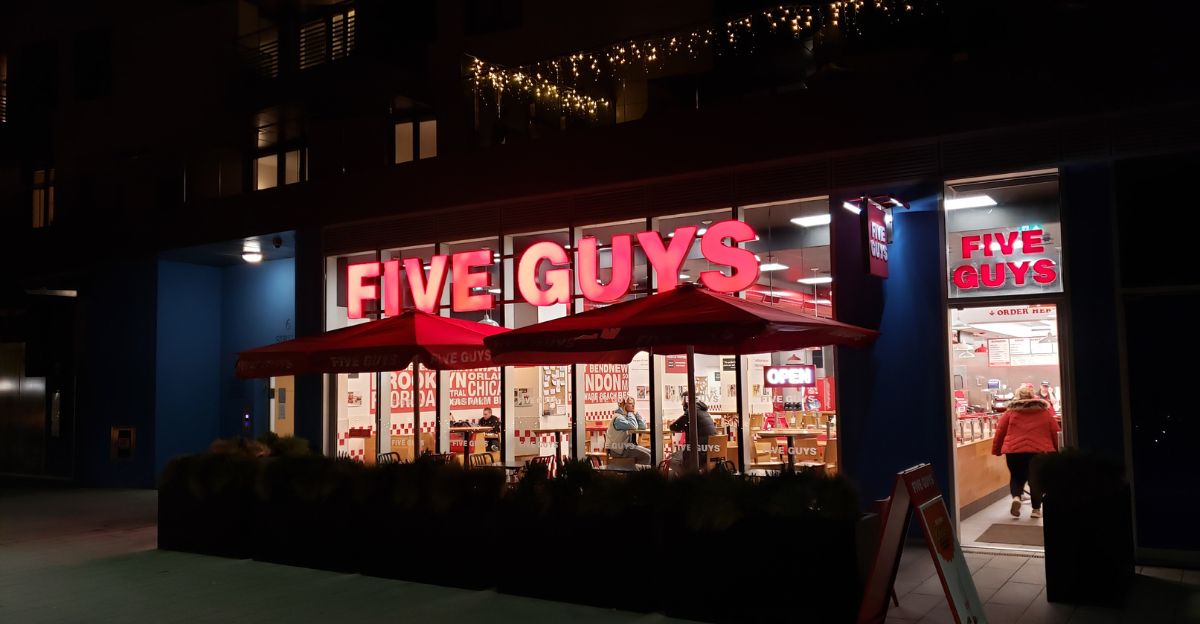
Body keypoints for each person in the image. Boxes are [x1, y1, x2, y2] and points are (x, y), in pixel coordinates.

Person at [992, 384, 1060, 519]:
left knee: (1016, 476)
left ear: (1017, 397)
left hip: (1014, 451)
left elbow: (1000, 432)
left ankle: (1017, 497)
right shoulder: (1044, 412)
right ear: (1033, 396)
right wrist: (1057, 451)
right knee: (1035, 479)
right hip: (1038, 451)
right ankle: (1036, 510)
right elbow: (1055, 431)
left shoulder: (1010, 413)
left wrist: (997, 450)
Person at [669, 395, 717, 475]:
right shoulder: (704, 411)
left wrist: (673, 424)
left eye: (682, 401)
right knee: (679, 457)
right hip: (711, 451)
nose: (681, 404)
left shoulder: (691, 411)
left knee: (671, 459)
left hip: (699, 452)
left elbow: (674, 427)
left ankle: (689, 479)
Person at [606, 397, 651, 465]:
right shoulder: (618, 418)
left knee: (651, 453)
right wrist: (630, 413)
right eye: (630, 403)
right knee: (646, 457)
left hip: (626, 447)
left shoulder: (626, 416)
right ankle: (638, 471)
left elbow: (643, 426)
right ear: (624, 405)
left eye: (633, 403)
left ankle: (639, 470)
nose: (633, 405)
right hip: (617, 449)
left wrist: (636, 413)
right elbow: (633, 426)